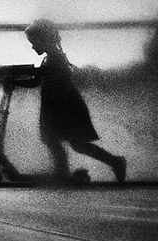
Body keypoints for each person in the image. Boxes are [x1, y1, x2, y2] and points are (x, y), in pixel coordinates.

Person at [16, 19, 126, 183]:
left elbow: (40, 73)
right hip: (56, 107)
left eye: (34, 42)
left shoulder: (57, 58)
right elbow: (35, 81)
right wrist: (15, 82)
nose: (33, 46)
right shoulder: (49, 59)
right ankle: (66, 170)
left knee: (69, 142)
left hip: (66, 107)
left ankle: (68, 171)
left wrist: (17, 73)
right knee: (60, 141)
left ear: (45, 39)